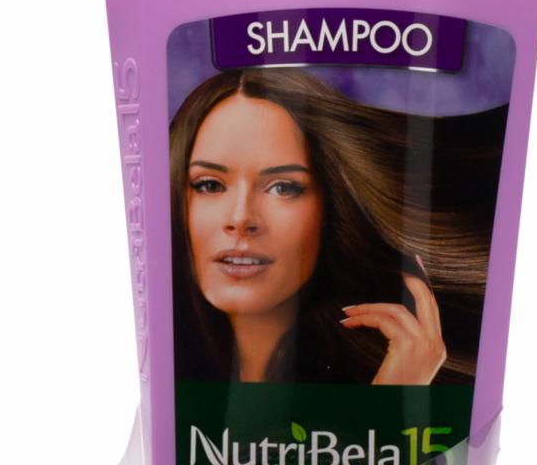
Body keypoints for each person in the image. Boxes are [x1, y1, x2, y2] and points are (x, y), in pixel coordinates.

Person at [170, 68, 495, 385]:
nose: (240, 218)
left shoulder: (408, 375)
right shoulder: (167, 375)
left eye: (283, 187)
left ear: (331, 206)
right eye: (209, 185)